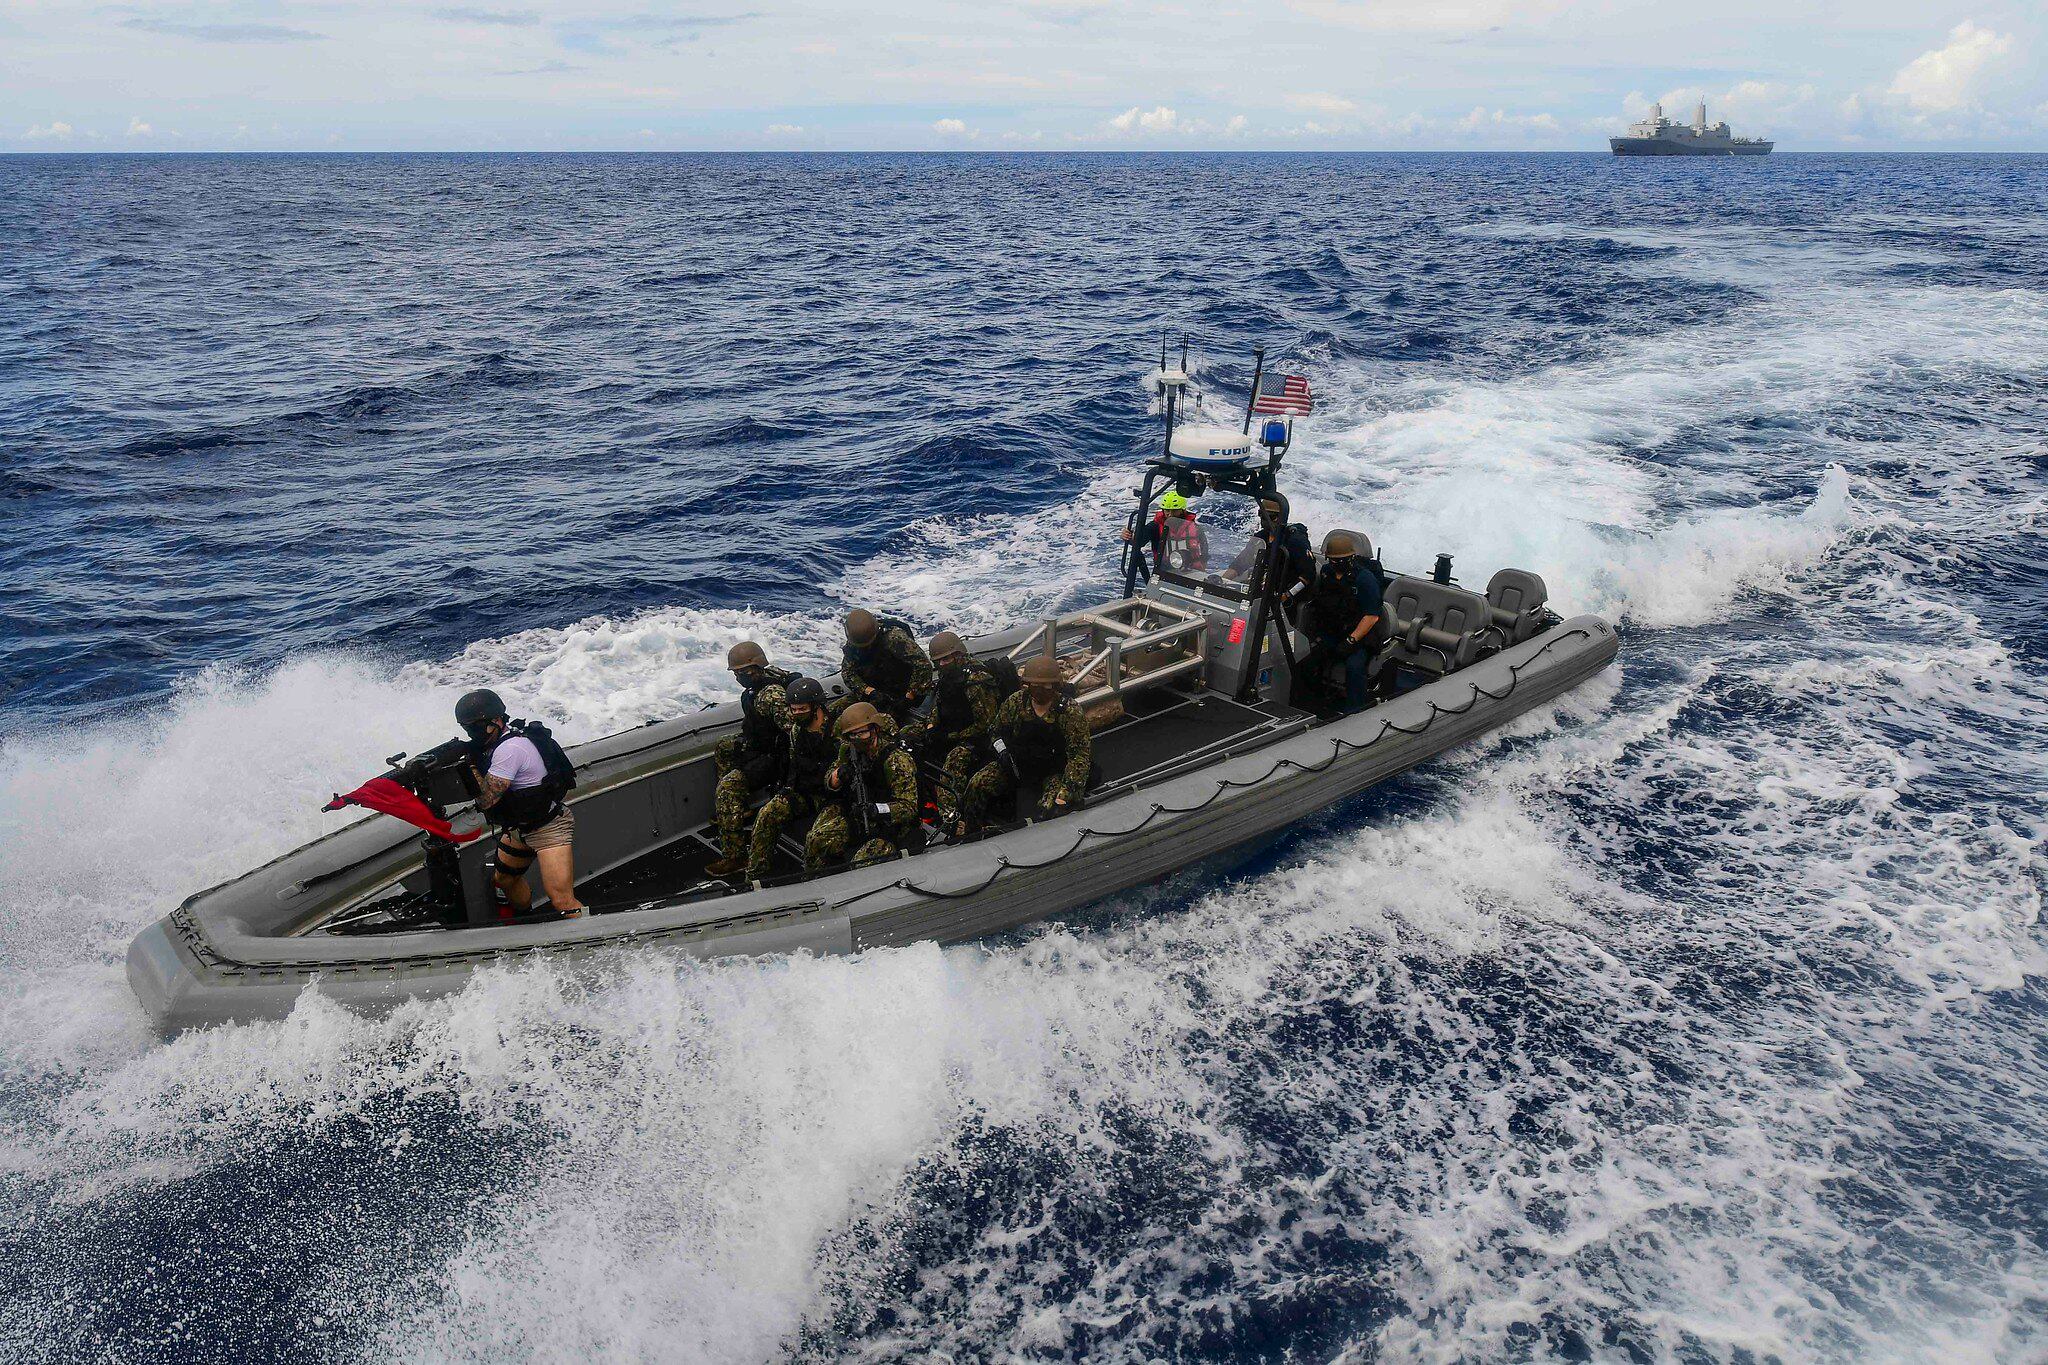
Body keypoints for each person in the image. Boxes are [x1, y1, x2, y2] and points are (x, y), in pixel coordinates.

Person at [456, 688, 586, 918]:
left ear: (496, 721)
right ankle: (526, 921)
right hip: (521, 827)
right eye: (468, 730)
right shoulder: (499, 743)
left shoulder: (510, 749)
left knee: (562, 900)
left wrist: (470, 768)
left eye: (476, 728)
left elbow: (487, 800)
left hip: (548, 827)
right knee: (504, 879)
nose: (472, 735)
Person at [959, 656, 1092, 831]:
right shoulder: (1017, 702)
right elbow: (995, 730)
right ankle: (972, 830)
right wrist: (1003, 752)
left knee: (1049, 807)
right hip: (1017, 764)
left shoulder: (1069, 711)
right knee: (978, 783)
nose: (1039, 691)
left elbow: (1079, 756)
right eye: (1035, 686)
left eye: (1046, 686)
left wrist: (1065, 793)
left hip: (1051, 771)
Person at [706, 641, 801, 879]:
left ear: (754, 669)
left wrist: (788, 776)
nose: (738, 677)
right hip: (759, 743)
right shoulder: (761, 682)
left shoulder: (771, 696)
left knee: (728, 788)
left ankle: (735, 857)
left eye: (740, 672)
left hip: (773, 756)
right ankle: (738, 811)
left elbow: (794, 734)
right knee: (724, 747)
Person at [741, 677, 836, 883]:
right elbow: (794, 762)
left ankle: (814, 880)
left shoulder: (835, 731)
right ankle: (756, 874)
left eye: (802, 709)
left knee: (816, 839)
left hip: (832, 796)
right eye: (793, 710)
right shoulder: (796, 731)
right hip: (806, 791)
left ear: (815, 706)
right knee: (768, 813)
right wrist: (788, 789)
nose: (796, 714)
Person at [806, 701, 923, 870]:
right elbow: (828, 781)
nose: (857, 739)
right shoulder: (849, 751)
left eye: (861, 733)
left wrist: (877, 810)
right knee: (815, 840)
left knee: (859, 864)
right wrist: (838, 775)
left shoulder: (895, 760)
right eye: (852, 735)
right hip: (858, 818)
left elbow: (909, 807)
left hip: (891, 829)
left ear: (875, 729)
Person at [901, 629, 1002, 821]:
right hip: (950, 728)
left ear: (957, 655)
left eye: (945, 659)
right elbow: (938, 707)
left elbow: (986, 725)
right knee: (906, 734)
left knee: (954, 761)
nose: (941, 664)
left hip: (976, 739)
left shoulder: (975, 681)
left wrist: (948, 736)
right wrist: (931, 728)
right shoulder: (949, 677)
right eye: (938, 661)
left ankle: (952, 817)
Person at [1298, 531, 1386, 714]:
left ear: (1352, 557)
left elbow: (1371, 616)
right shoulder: (1326, 573)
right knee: (1307, 662)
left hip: (1359, 635)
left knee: (1354, 667)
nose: (1337, 564)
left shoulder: (1364, 579)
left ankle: (1355, 712)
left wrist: (1351, 641)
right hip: (1333, 632)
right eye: (1333, 560)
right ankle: (1308, 707)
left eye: (1342, 560)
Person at [1223, 496, 1317, 614]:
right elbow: (1240, 563)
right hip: (1260, 591)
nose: (1265, 520)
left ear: (1280, 517)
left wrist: (1286, 595)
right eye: (1262, 515)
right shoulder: (1260, 538)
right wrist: (1223, 580)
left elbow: (1308, 575)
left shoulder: (1294, 541)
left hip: (1284, 596)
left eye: (1270, 517)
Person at [838, 608, 933, 722]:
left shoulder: (894, 638)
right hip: (877, 691)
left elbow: (923, 665)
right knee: (837, 710)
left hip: (903, 690)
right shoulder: (855, 642)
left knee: (885, 723)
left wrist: (910, 695)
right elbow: (848, 673)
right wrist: (869, 691)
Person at [1121, 489, 1210, 578]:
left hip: (1193, 574)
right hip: (1164, 574)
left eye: (1174, 510)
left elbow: (1204, 552)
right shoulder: (1155, 527)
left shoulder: (1196, 528)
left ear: (1183, 510)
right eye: (1167, 510)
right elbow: (1139, 542)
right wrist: (1128, 536)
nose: (1170, 514)